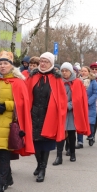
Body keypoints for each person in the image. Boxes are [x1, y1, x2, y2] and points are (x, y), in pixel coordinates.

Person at [0, 51, 34, 192]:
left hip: (9, 124)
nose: (2, 66)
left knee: (3, 153)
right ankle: (8, 179)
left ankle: (0, 184)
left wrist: (7, 105)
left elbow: (22, 104)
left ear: (11, 66)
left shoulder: (19, 83)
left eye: (5, 63)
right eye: (0, 63)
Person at [26, 52, 67, 183]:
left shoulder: (56, 78)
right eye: (41, 61)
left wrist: (58, 114)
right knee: (35, 142)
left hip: (48, 115)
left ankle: (43, 169)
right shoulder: (33, 76)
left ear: (51, 64)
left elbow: (62, 99)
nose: (43, 64)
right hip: (33, 114)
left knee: (46, 143)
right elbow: (26, 95)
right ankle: (39, 164)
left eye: (46, 61)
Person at [52, 62, 90, 165]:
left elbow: (79, 98)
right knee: (60, 134)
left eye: (66, 71)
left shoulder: (77, 82)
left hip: (71, 112)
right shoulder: (58, 81)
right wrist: (60, 106)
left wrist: (68, 105)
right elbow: (54, 95)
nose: (64, 73)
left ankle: (72, 153)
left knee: (72, 134)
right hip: (60, 112)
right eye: (63, 71)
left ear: (71, 71)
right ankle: (59, 156)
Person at [76, 66, 97, 148]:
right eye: (82, 71)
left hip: (89, 105)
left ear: (89, 72)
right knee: (79, 123)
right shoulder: (78, 81)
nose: (83, 72)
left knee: (90, 123)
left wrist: (88, 102)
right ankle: (80, 141)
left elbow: (96, 93)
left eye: (85, 71)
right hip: (79, 105)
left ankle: (91, 136)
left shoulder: (93, 81)